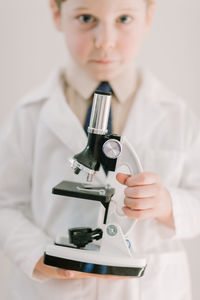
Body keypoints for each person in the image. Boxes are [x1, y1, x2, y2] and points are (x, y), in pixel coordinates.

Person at [0, 0, 200, 299]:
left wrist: (166, 204)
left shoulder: (176, 115)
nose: (105, 40)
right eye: (85, 18)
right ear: (57, 14)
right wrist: (37, 257)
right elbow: (5, 203)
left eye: (123, 19)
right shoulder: (30, 113)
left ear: (148, 17)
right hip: (52, 291)